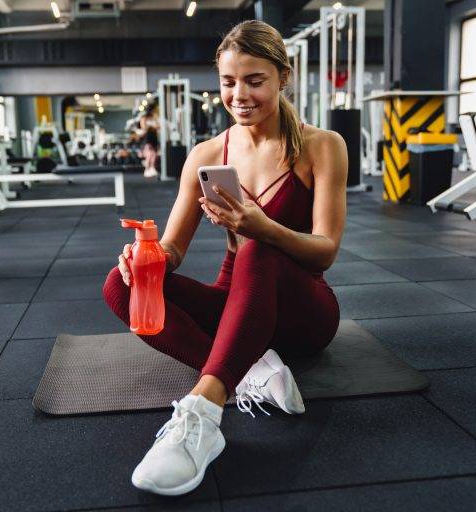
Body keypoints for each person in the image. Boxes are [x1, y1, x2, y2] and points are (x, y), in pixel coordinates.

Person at [102, 19, 347, 497]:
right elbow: (173, 249)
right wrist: (148, 259)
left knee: (258, 247)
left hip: (305, 312)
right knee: (120, 285)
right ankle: (254, 368)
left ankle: (203, 412)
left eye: (255, 81)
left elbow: (325, 254)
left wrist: (264, 228)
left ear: (283, 76)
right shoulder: (206, 155)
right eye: (229, 82)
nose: (240, 95)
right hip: (240, 306)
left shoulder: (322, 146)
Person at [140, 110, 160, 177]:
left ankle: (151, 168)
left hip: (153, 139)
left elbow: (158, 127)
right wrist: (151, 125)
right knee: (150, 155)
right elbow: (144, 128)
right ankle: (147, 169)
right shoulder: (144, 119)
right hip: (148, 140)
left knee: (154, 155)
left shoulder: (154, 119)